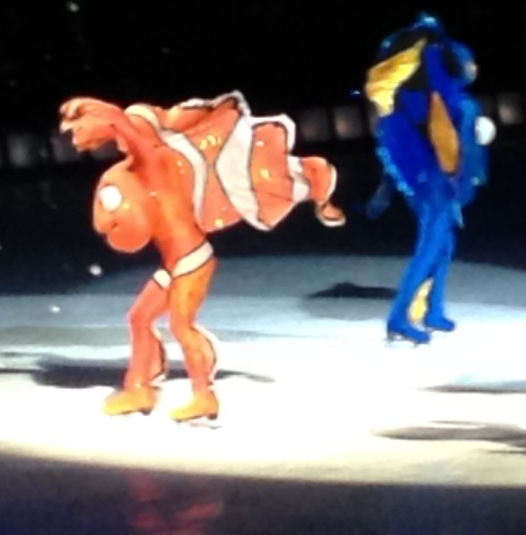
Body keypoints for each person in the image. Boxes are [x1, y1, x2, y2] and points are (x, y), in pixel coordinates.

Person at [58, 90, 345, 421]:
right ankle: (140, 388)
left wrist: (110, 115)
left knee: (182, 325)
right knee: (139, 318)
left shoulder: (150, 165)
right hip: (175, 263)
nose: (77, 140)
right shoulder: (136, 174)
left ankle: (204, 396)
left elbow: (131, 133)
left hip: (192, 260)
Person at [361, 14, 494, 343]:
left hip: (424, 178)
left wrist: (387, 188)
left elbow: (401, 143)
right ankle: (398, 316)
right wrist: (456, 182)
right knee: (431, 247)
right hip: (436, 179)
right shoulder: (446, 96)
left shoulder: (413, 93)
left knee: (443, 245)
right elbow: (448, 144)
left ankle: (433, 309)